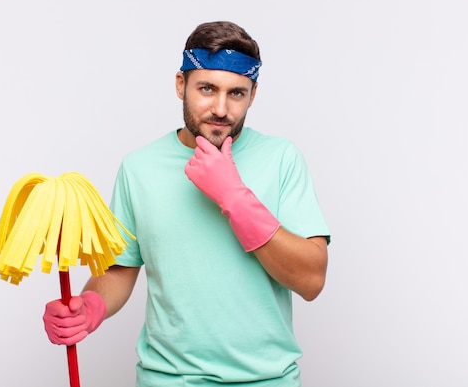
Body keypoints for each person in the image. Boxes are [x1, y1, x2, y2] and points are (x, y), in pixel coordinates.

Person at [43, 21, 331, 386]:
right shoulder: (139, 167)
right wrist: (90, 307)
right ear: (181, 85)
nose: (221, 109)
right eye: (207, 89)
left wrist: (233, 196)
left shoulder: (282, 158)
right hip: (168, 379)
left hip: (269, 380)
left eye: (237, 93)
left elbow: (311, 280)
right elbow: (119, 270)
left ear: (253, 94)